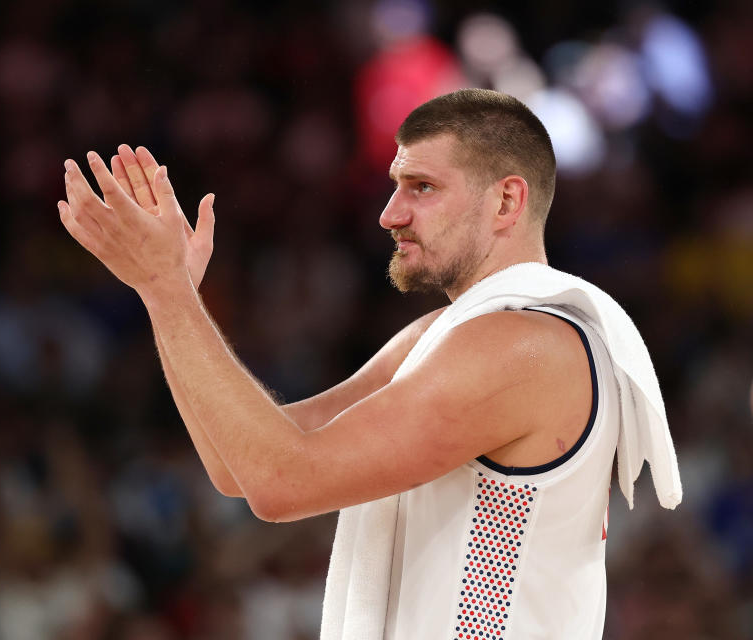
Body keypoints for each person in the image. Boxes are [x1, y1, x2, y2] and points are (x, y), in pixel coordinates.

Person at [58, 89, 680, 639]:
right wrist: (170, 299)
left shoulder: (522, 348)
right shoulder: (443, 335)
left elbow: (282, 482)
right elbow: (241, 467)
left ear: (505, 202)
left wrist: (168, 288)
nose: (390, 213)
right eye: (396, 184)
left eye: (423, 188)